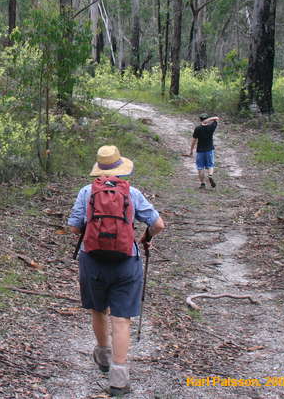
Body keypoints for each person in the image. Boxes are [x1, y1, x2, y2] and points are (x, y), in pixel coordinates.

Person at [67, 145, 165, 396]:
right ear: (122, 168)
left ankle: (102, 355)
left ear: (98, 169)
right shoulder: (132, 193)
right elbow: (158, 225)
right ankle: (119, 379)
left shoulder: (86, 192)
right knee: (121, 319)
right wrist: (145, 237)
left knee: (98, 309)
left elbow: (75, 229)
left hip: (93, 260)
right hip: (125, 262)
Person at [189, 114, 220, 189]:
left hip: (200, 151)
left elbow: (193, 141)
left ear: (200, 120)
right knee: (210, 165)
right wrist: (209, 119)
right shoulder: (211, 127)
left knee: (200, 168)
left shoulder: (198, 128)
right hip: (209, 150)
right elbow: (216, 118)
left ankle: (202, 184)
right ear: (207, 119)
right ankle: (210, 176)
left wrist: (191, 150)